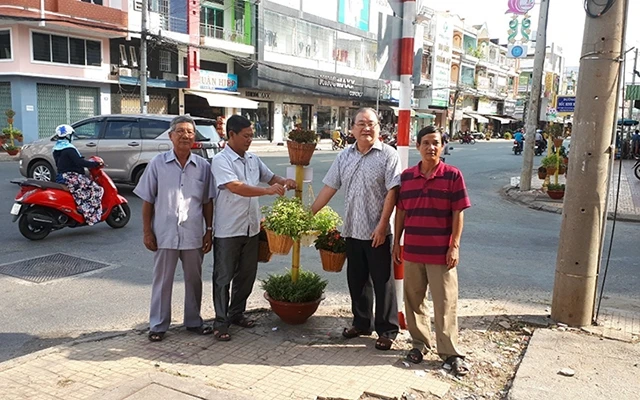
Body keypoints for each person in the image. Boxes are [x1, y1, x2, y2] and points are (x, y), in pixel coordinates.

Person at [311, 107, 401, 351]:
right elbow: (330, 187)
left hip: (377, 231)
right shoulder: (344, 156)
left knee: (383, 283)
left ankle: (387, 330)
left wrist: (383, 226)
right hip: (352, 229)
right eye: (360, 123)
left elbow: (394, 190)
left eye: (371, 123)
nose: (366, 128)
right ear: (352, 129)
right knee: (357, 281)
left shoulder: (388, 155)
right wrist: (309, 214)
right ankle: (362, 323)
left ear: (378, 128)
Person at [393, 125, 471, 376]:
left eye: (436, 142)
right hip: (413, 251)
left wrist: (454, 246)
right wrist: (397, 243)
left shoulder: (452, 175)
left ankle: (449, 352)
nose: (431, 147)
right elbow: (402, 212)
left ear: (443, 146)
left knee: (445, 303)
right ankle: (419, 344)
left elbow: (458, 213)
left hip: (441, 254)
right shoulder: (406, 177)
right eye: (426, 142)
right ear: (418, 146)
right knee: (414, 301)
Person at [211, 115, 296, 341]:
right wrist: (268, 192)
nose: (250, 140)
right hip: (228, 230)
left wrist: (285, 181)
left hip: (251, 229)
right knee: (223, 277)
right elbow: (235, 187)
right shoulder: (221, 161)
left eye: (251, 136)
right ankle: (221, 323)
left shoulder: (252, 159)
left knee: (246, 275)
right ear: (231, 135)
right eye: (246, 136)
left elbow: (270, 177)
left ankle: (237, 313)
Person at [134, 115, 216, 342]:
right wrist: (147, 231)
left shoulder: (203, 167)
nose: (185, 136)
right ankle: (158, 325)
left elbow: (208, 201)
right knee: (162, 280)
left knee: (194, 279)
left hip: (192, 234)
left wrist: (209, 230)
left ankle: (193, 321)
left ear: (194, 138)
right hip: (164, 234)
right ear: (170, 136)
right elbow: (148, 200)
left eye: (189, 132)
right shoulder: (157, 164)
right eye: (180, 131)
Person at [52, 124, 104, 225]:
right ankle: (90, 215)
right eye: (71, 135)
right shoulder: (69, 149)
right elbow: (80, 163)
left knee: (84, 190)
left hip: (62, 176)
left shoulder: (56, 149)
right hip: (71, 177)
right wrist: (96, 164)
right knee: (97, 189)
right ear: (68, 136)